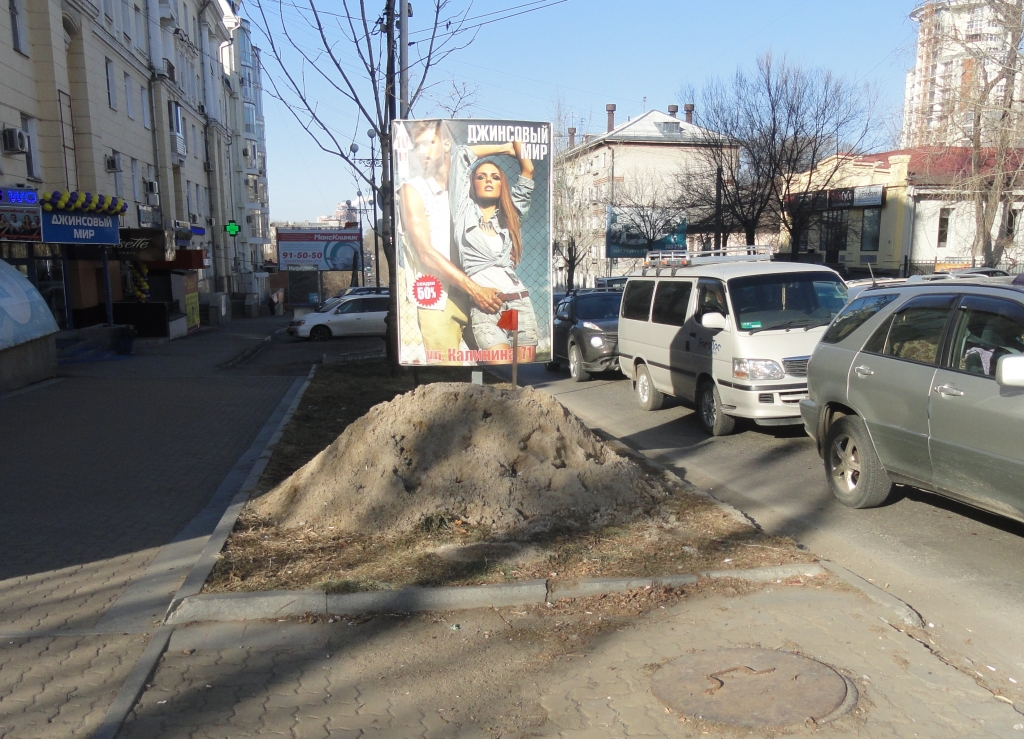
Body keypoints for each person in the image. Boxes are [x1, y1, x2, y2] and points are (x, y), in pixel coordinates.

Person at [397, 121, 503, 357]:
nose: (422, 151)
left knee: (494, 365)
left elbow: (468, 154)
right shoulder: (412, 190)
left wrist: (508, 147)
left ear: (446, 144)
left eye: (429, 143)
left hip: (482, 289)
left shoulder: (470, 187)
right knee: (446, 371)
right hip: (438, 297)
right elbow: (425, 253)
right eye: (417, 146)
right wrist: (475, 290)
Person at [450, 140, 538, 361]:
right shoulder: (463, 211)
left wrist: (519, 143)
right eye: (481, 177)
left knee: (520, 375)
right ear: (473, 184)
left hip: (517, 303)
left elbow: (528, 170)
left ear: (502, 185)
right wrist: (505, 148)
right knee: (502, 365)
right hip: (487, 307)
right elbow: (461, 155)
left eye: (495, 177)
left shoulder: (511, 214)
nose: (489, 180)